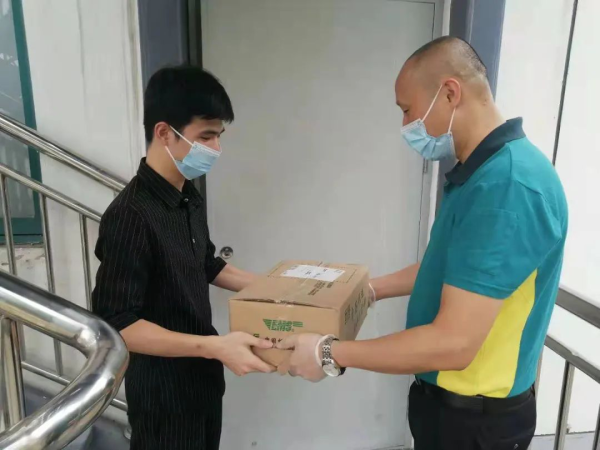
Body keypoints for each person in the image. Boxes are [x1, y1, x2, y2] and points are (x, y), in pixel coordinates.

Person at [277, 36, 568, 450]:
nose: (406, 126)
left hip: (476, 422)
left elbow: (453, 343)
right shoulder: (480, 174)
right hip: (448, 409)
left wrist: (330, 353)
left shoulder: (507, 187)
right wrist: (370, 289)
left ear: (449, 93)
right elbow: (453, 269)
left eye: (407, 110)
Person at [92, 66, 275, 450]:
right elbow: (118, 324)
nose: (216, 148)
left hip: (203, 380)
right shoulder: (130, 215)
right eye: (205, 136)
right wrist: (214, 347)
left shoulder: (188, 196)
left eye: (218, 136)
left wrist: (274, 288)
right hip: (164, 397)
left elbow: (206, 263)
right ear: (164, 133)